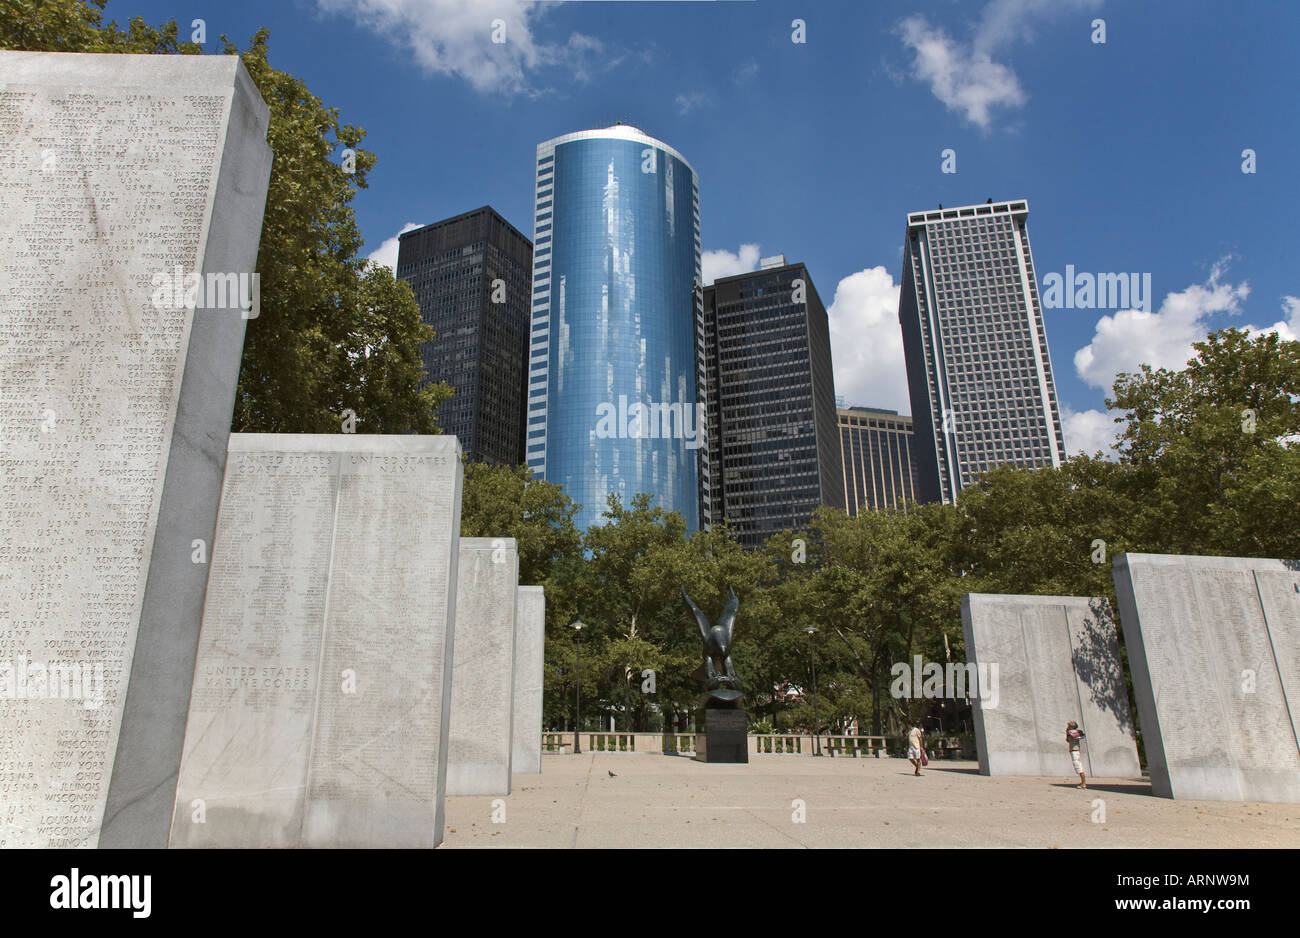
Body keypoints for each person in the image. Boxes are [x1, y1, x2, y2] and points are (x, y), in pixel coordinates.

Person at [1066, 721, 1087, 789]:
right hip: (1073, 751)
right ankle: (1082, 782)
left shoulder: (1074, 733)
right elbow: (1068, 740)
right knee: (1077, 767)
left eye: (1069, 726)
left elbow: (1079, 736)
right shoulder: (1070, 733)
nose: (1067, 727)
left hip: (1075, 752)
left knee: (1078, 767)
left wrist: (1068, 733)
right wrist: (1067, 734)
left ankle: (1083, 783)